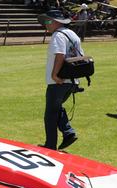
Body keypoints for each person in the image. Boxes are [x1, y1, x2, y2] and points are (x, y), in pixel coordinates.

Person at [37, 10, 83, 150]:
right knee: (56, 108)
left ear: (57, 22)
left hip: (59, 82)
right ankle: (68, 132)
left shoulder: (58, 35)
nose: (46, 24)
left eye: (49, 21)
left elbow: (60, 55)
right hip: (71, 80)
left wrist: (55, 75)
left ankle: (50, 145)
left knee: (50, 114)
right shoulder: (72, 34)